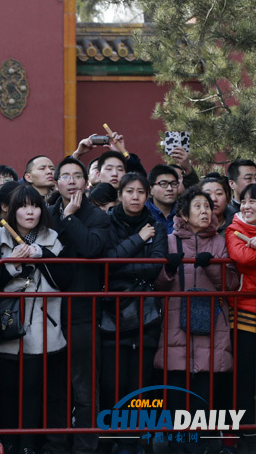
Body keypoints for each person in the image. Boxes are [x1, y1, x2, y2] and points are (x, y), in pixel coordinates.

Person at [156, 187, 238, 431]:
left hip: (211, 324)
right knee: (175, 393)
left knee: (204, 394)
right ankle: (177, 444)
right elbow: (157, 286)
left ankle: (199, 445)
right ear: (184, 212)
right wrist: (168, 270)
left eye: (207, 206)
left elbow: (231, 284)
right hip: (174, 325)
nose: (205, 211)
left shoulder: (220, 242)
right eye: (198, 206)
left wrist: (212, 267)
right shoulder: (169, 241)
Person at [0, 185, 69, 454]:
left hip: (43, 322)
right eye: (23, 206)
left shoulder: (52, 238)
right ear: (11, 210)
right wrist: (12, 262)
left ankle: (29, 445)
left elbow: (64, 280)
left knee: (35, 389)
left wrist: (41, 254)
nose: (30, 211)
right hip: (8, 321)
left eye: (35, 205)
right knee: (7, 389)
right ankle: (8, 443)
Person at [46, 157, 110, 454]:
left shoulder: (96, 216)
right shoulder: (46, 214)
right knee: (55, 385)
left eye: (77, 176)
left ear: (86, 182)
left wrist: (71, 218)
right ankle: (57, 445)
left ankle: (85, 447)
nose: (71, 181)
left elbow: (93, 248)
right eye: (65, 176)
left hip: (83, 310)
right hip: (49, 311)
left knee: (84, 387)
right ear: (55, 183)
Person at [100, 173, 166, 443]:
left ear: (147, 195)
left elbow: (155, 267)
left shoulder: (157, 225)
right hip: (111, 312)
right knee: (111, 383)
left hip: (146, 313)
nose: (135, 196)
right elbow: (105, 263)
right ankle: (110, 440)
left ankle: (136, 442)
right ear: (120, 195)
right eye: (130, 191)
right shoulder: (106, 222)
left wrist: (123, 267)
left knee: (142, 384)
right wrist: (138, 240)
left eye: (141, 191)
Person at [225, 184, 256, 447]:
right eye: (244, 201)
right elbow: (242, 257)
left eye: (253, 201)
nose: (246, 206)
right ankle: (246, 431)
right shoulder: (234, 228)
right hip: (246, 310)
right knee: (245, 374)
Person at [146, 164, 181, 235]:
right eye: (163, 184)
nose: (170, 189)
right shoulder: (142, 213)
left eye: (174, 184)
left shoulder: (185, 212)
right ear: (151, 190)